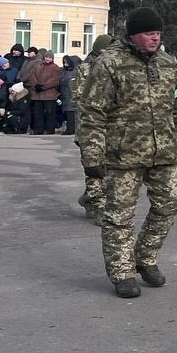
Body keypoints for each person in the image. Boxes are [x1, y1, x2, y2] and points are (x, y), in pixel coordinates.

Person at [78, 8, 177, 298]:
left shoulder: (167, 64)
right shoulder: (110, 63)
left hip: (164, 151)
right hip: (123, 154)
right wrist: (92, 156)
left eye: (158, 33)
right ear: (133, 35)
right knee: (119, 215)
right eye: (148, 33)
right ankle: (122, 272)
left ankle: (145, 257)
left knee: (169, 205)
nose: (155, 38)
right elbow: (92, 112)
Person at [71, 34, 113, 223]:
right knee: (94, 167)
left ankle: (90, 198)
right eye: (105, 50)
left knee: (108, 168)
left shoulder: (115, 67)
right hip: (89, 126)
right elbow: (79, 98)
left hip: (112, 126)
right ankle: (99, 207)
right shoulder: (84, 69)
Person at [27, 49, 62, 135]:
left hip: (50, 95)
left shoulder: (55, 67)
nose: (47, 59)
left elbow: (55, 80)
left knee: (50, 113)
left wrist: (43, 87)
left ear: (52, 58)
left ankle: (50, 129)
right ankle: (38, 129)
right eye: (46, 57)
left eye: (49, 57)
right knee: (38, 113)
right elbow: (32, 76)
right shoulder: (38, 66)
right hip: (38, 94)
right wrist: (35, 85)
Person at [59, 55, 81, 135]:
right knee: (68, 112)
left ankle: (71, 129)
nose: (65, 64)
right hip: (65, 93)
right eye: (64, 62)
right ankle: (70, 128)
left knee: (71, 112)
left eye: (67, 62)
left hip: (72, 94)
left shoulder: (75, 71)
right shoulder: (64, 71)